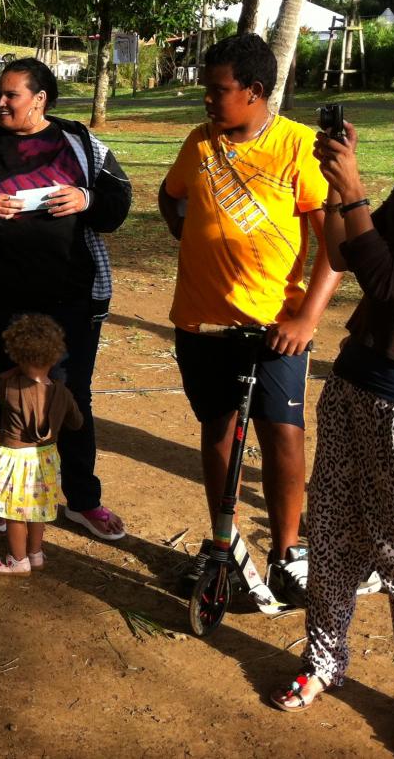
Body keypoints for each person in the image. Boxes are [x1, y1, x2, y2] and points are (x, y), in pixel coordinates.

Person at [158, 33, 341, 607]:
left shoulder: (299, 149)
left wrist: (307, 320)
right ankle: (222, 546)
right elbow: (172, 197)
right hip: (200, 325)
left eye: (219, 91)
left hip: (273, 330)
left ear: (255, 92)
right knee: (217, 429)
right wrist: (195, 240)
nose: (208, 101)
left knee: (283, 435)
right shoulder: (199, 142)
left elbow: (336, 248)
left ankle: (289, 553)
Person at [0, 57, 131, 541]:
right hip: (1, 299)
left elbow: (118, 202)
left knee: (71, 397)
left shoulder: (80, 142)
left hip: (71, 299)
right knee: (14, 396)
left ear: (40, 98)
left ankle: (83, 501)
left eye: (11, 95)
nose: (0, 103)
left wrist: (85, 198)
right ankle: (10, 499)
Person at [269, 118, 394, 714]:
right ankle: (323, 660)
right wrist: (334, 192)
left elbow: (388, 280)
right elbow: (347, 254)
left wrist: (354, 191)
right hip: (355, 382)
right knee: (331, 532)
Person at [0, 314, 83, 576]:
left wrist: (16, 370)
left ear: (17, 356)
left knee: (14, 513)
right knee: (37, 510)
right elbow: (77, 423)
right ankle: (35, 553)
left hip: (15, 458)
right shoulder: (62, 392)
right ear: (54, 357)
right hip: (46, 459)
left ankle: (17, 560)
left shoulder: (10, 387)